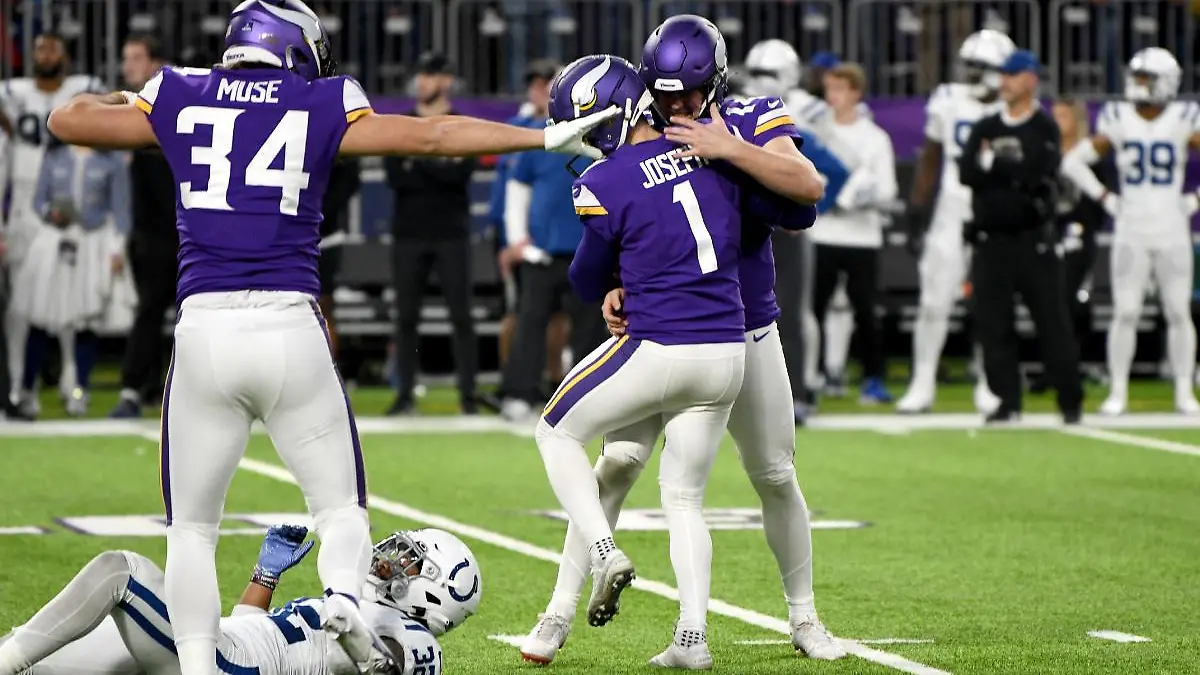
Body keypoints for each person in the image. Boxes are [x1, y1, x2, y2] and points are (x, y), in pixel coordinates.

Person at [45, 0, 614, 673]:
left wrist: (130, 94)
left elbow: (65, 118)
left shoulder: (178, 90)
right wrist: (544, 138)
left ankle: (198, 669)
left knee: (193, 529)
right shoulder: (322, 98)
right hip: (288, 326)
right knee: (340, 506)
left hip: (203, 331)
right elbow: (431, 137)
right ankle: (344, 602)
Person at [522, 29, 837, 671]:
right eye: (669, 96)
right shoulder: (646, 128)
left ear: (717, 81)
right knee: (616, 467)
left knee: (773, 474)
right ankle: (557, 615)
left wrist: (731, 150)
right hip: (674, 331)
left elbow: (805, 188)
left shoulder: (745, 116)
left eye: (693, 94)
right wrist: (617, 285)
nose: (682, 107)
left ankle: (804, 615)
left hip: (747, 329)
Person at [0, 525, 481, 675]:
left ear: (435, 595)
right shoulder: (352, 604)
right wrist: (265, 575)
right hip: (222, 644)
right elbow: (252, 629)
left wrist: (355, 629)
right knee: (34, 657)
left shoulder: (417, 639)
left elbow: (387, 670)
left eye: (413, 562)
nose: (393, 558)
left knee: (120, 569)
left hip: (226, 665)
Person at [1059, 47, 1200, 415]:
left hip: (1172, 226)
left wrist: (1194, 201)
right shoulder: (1119, 117)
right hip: (1131, 228)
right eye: (1137, 78)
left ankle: (1185, 391)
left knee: (1177, 310)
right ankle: (1118, 390)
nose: (1139, 86)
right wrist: (1106, 198)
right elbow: (1073, 162)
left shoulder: (1185, 117)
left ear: (1166, 82)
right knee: (1125, 311)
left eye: (1146, 79)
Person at [958, 50, 1082, 424]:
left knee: (1052, 321)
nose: (1005, 82)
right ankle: (1006, 401)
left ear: (1030, 79)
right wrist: (1007, 169)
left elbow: (1037, 171)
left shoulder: (1043, 127)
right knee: (994, 324)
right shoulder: (986, 124)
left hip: (1033, 240)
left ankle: (1069, 400)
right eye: (1003, 75)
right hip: (990, 240)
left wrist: (994, 163)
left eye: (1012, 75)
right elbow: (967, 172)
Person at [895, 29, 1014, 415]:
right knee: (934, 303)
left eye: (979, 68)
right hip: (950, 212)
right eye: (971, 66)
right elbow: (931, 158)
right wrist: (916, 211)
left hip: (993, 215)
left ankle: (989, 382)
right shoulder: (948, 98)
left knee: (990, 306)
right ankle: (922, 382)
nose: (971, 74)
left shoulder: (1014, 108)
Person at [496, 80, 612, 423]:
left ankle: (589, 400)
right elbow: (518, 187)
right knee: (530, 325)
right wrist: (517, 239)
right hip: (543, 253)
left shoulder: (606, 139)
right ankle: (519, 394)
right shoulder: (540, 138)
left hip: (589, 251)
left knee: (591, 331)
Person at [0, 31, 103, 415]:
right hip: (24, 210)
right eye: (39, 47)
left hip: (65, 208)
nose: (46, 54)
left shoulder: (83, 89)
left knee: (66, 302)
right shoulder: (12, 92)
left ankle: (70, 380)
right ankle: (16, 384)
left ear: (66, 56)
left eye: (53, 47)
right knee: (20, 307)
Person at [383, 51, 478, 416]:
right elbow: (395, 178)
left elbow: (460, 177)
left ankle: (467, 396)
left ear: (445, 80)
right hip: (409, 233)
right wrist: (438, 160)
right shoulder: (401, 123)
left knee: (462, 316)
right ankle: (404, 394)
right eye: (420, 74)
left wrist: (417, 161)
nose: (421, 82)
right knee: (405, 317)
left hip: (452, 234)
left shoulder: (461, 124)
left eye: (428, 75)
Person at [11, 135, 131, 417]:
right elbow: (38, 200)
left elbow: (120, 209)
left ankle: (79, 390)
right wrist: (50, 213)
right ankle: (27, 389)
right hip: (55, 242)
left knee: (85, 322)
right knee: (41, 318)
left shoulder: (111, 160)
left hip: (91, 244)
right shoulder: (55, 156)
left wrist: (117, 249)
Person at [808, 63, 897, 405]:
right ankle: (811, 378)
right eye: (830, 89)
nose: (834, 97)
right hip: (823, 234)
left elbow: (887, 190)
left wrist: (858, 196)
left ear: (856, 93)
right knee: (813, 310)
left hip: (863, 237)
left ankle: (873, 380)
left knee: (866, 311)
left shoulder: (875, 138)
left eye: (841, 90)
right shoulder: (816, 134)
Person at [488, 60, 571, 401]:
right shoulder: (524, 130)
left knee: (585, 324)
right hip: (538, 246)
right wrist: (514, 239)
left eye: (546, 82)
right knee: (524, 317)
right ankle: (518, 389)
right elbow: (513, 192)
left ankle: (572, 386)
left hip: (583, 245)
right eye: (535, 83)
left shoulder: (593, 131)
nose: (540, 88)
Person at [110, 33, 178, 420]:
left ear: (155, 63)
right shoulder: (133, 108)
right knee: (150, 310)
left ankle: (149, 388)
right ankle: (137, 388)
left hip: (181, 228)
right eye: (126, 58)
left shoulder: (169, 103)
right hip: (149, 230)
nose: (128, 66)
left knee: (185, 315)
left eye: (136, 57)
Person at [1032, 98, 1109, 393]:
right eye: (1054, 116)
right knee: (1047, 303)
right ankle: (1051, 367)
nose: (1057, 122)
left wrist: (1084, 230)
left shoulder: (1089, 155)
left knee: (1071, 301)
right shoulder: (1045, 154)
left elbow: (1097, 199)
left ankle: (1070, 367)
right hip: (1048, 234)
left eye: (1063, 116)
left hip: (1078, 236)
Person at [318, 156, 360, 360]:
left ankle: (329, 369)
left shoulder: (334, 132)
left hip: (326, 237)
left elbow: (351, 180)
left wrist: (317, 212)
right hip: (289, 237)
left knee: (324, 308)